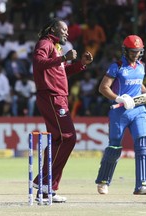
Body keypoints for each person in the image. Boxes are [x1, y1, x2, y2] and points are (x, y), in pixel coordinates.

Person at [32, 17, 93, 203]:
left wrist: (80, 64)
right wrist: (63, 58)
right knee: (68, 137)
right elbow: (38, 62)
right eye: (63, 29)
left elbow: (60, 71)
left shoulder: (56, 47)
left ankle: (45, 189)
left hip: (58, 97)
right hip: (51, 97)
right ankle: (44, 182)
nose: (67, 32)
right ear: (53, 29)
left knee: (58, 140)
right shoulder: (45, 43)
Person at [95, 35, 146, 195]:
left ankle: (142, 185)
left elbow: (139, 85)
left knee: (144, 143)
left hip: (139, 110)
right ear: (125, 50)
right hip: (120, 111)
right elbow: (103, 88)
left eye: (138, 51)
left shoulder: (141, 66)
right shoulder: (117, 66)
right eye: (133, 51)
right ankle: (103, 181)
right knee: (114, 146)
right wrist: (118, 98)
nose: (135, 54)